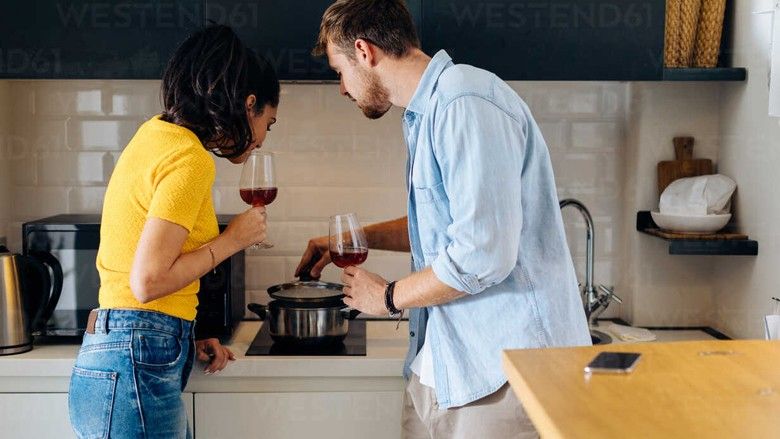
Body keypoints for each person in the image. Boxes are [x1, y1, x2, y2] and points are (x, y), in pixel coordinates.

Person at [296, 1, 591, 437]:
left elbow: (482, 254)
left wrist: (388, 297)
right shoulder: (428, 111)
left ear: (364, 51)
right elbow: (447, 228)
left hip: (505, 376)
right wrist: (352, 238)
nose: (342, 88)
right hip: (446, 368)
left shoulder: (464, 101)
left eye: (339, 71)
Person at [68, 25, 279, 438]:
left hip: (123, 353)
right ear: (248, 104)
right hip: (135, 358)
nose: (259, 141)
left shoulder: (155, 135)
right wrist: (232, 240)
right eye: (268, 124)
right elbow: (148, 282)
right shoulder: (190, 157)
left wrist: (189, 335)